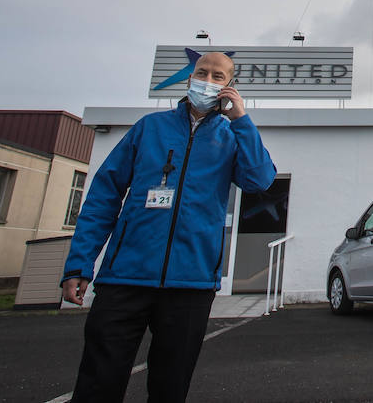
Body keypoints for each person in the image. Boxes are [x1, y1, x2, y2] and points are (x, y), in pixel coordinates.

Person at [60, 51, 276, 402]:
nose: (207, 80)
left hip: (190, 283)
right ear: (190, 78)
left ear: (230, 86)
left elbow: (259, 180)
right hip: (124, 279)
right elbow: (103, 196)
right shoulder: (149, 128)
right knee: (98, 382)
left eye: (218, 76)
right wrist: (80, 263)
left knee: (169, 387)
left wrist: (242, 121)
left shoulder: (232, 137)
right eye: (201, 72)